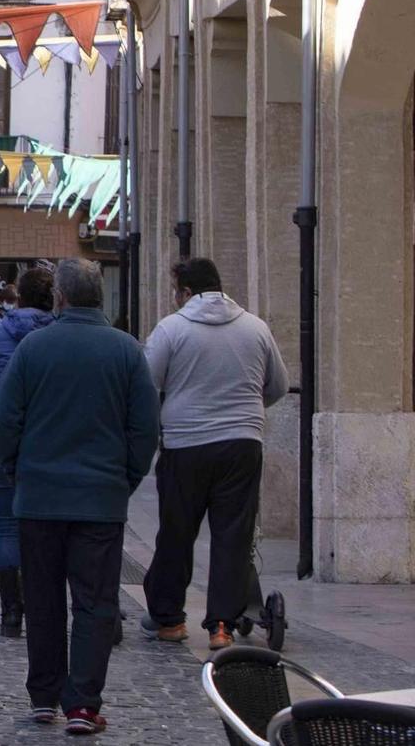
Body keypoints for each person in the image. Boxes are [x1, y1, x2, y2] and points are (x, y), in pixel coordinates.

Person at [0, 259, 159, 736]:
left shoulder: (32, 348)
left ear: (59, 298)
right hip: (99, 499)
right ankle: (83, 703)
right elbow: (145, 428)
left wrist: (15, 471)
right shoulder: (127, 352)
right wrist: (125, 477)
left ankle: (44, 696)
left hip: (39, 496)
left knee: (42, 598)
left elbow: (6, 422)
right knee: (94, 602)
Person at [140, 257, 290, 652]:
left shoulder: (171, 330)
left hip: (185, 445)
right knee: (232, 536)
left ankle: (169, 619)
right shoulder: (256, 328)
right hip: (242, 444)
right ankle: (221, 625)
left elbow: (146, 383)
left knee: (176, 531)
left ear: (186, 292)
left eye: (176, 292)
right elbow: (277, 386)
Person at [0, 265, 56, 638]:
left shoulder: (1, 331)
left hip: (0, 440)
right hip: (47, 441)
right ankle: (45, 606)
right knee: (51, 528)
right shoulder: (59, 333)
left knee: (6, 527)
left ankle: (11, 614)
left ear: (18, 296)